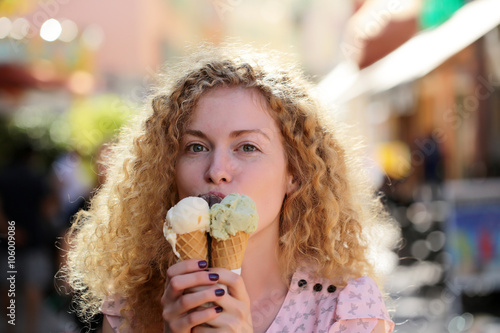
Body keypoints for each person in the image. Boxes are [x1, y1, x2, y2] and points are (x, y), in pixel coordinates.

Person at [62, 44, 398, 333]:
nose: (216, 171)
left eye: (247, 147)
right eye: (195, 147)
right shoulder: (131, 309)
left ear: (294, 173)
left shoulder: (346, 309)